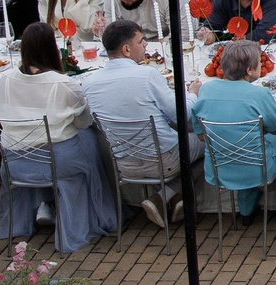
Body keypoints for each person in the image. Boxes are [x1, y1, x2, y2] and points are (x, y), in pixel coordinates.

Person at [0, 22, 119, 249]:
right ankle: (96, 212)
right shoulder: (63, 84)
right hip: (57, 163)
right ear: (52, 47)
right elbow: (84, 121)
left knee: (60, 143)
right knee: (89, 139)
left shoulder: (5, 80)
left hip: (15, 162)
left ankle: (45, 204)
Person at [78, 17, 202, 230]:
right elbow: (180, 115)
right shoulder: (146, 75)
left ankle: (166, 199)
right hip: (164, 160)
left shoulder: (89, 83)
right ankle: (167, 194)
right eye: (141, 41)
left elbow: (91, 120)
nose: (146, 45)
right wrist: (192, 94)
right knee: (208, 140)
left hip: (124, 164)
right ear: (126, 49)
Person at [191, 40, 276, 223]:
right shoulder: (259, 94)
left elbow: (201, 136)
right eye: (259, 63)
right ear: (249, 70)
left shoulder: (206, 90)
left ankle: (246, 209)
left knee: (240, 145)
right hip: (256, 170)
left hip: (219, 170)